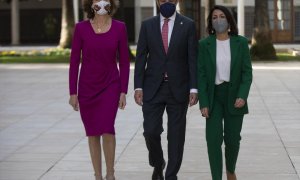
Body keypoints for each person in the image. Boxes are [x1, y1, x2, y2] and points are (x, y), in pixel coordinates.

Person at [134, 0, 198, 179]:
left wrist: (194, 88)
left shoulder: (188, 25)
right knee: (151, 131)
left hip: (179, 88)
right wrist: (138, 86)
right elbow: (140, 57)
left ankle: (171, 175)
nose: (166, 2)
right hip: (153, 87)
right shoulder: (147, 25)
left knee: (176, 136)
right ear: (157, 1)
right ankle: (158, 162)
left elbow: (193, 58)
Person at [68, 0, 130, 179]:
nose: (101, 2)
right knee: (92, 132)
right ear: (90, 4)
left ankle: (110, 174)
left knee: (107, 128)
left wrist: (123, 91)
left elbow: (124, 62)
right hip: (87, 88)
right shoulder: (81, 28)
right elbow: (74, 62)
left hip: (111, 86)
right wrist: (73, 92)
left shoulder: (120, 28)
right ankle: (98, 175)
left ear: (111, 3)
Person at [197, 5, 253, 180]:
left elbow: (247, 72)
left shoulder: (241, 42)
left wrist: (242, 95)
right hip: (214, 97)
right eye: (214, 17)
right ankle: (216, 177)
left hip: (234, 96)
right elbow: (201, 75)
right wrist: (204, 102)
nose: (218, 20)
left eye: (222, 16)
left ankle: (230, 170)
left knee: (233, 140)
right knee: (213, 140)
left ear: (229, 20)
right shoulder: (204, 44)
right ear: (210, 23)